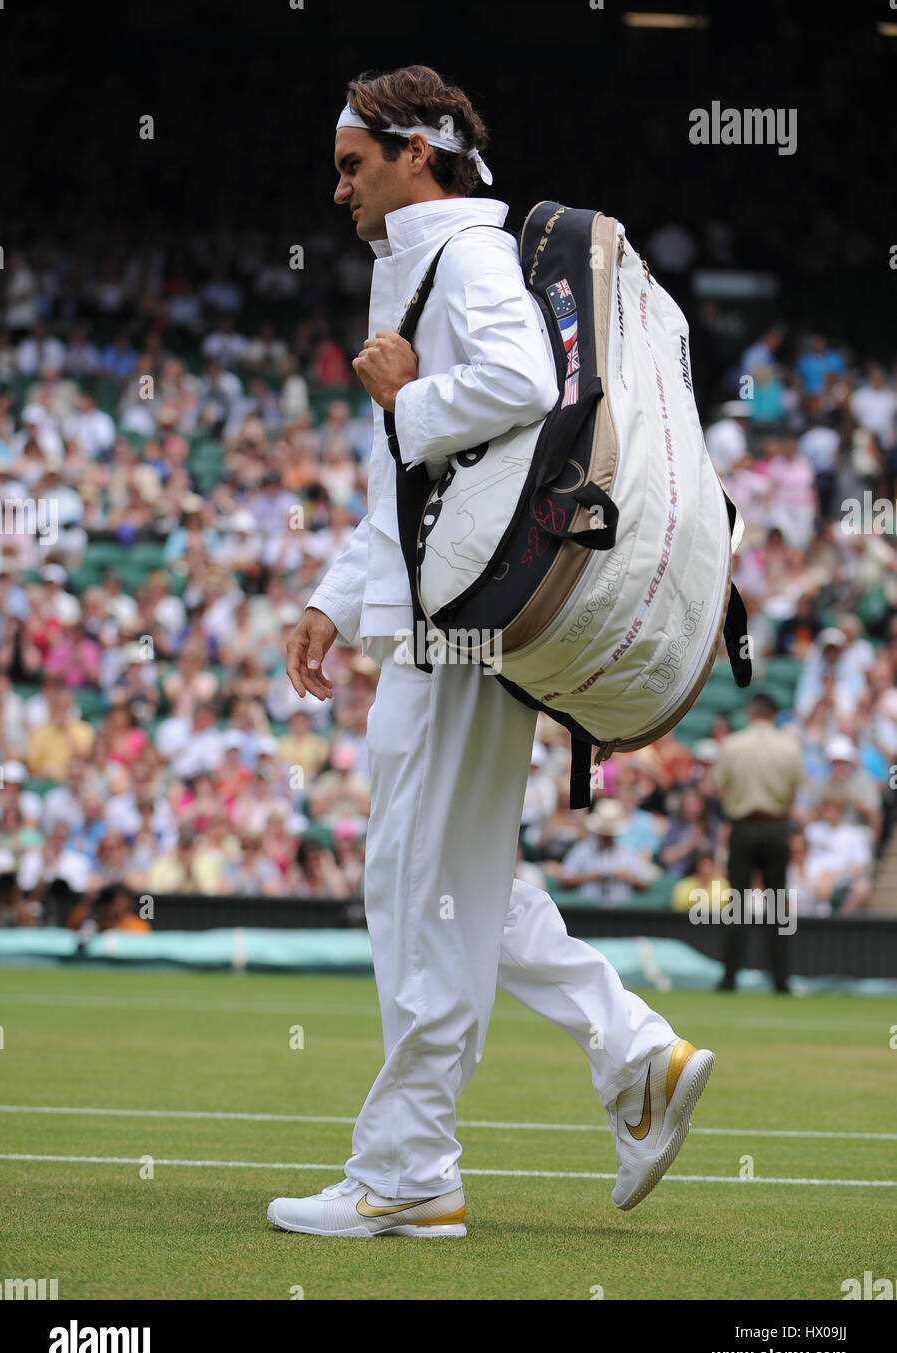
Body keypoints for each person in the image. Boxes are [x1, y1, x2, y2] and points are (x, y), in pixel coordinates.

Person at [270, 65, 715, 1239]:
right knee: (437, 881)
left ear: (417, 152)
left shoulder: (461, 255)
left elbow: (513, 384)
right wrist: (333, 595)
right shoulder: (426, 255)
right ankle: (633, 1052)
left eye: (353, 164)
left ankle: (410, 1171)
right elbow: (410, 483)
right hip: (435, 621)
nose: (339, 188)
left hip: (460, 630)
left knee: (423, 888)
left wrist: (407, 399)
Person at [712, 691, 804, 992]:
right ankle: (781, 981)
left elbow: (719, 788)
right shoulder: (788, 746)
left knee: (736, 906)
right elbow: (793, 792)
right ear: (774, 714)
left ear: (753, 712)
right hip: (776, 828)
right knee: (777, 907)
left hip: (743, 827)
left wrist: (735, 811)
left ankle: (729, 979)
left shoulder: (733, 744)